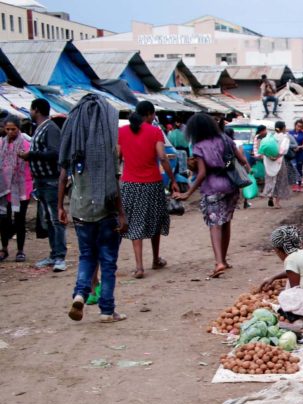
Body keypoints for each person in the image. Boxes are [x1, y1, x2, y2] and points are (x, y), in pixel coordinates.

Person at [60, 94, 127, 323]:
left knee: (87, 256)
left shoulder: (72, 147)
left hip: (80, 211)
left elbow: (62, 178)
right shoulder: (107, 149)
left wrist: (60, 206)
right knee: (108, 261)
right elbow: (114, 185)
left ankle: (80, 293)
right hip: (106, 212)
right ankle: (107, 310)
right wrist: (121, 213)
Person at [173, 112, 250, 278]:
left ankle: (219, 262)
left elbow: (201, 174)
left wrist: (188, 193)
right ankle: (225, 259)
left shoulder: (199, 146)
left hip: (213, 187)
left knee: (215, 225)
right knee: (226, 221)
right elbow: (242, 160)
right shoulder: (225, 139)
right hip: (231, 185)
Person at [118, 100, 174, 279]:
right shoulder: (155, 131)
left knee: (135, 223)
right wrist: (172, 179)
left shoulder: (122, 132)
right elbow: (162, 157)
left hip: (129, 184)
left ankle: (139, 266)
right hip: (152, 183)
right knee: (155, 219)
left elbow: (118, 156)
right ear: (150, 114)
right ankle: (156, 258)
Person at [20, 99, 66, 270]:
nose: (30, 112)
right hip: (41, 181)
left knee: (56, 219)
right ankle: (54, 255)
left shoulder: (51, 128)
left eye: (31, 109)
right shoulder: (40, 128)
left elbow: (55, 152)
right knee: (49, 219)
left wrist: (31, 155)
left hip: (51, 181)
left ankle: (60, 257)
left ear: (36, 110)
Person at [0, 116, 32, 263]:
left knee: (19, 219)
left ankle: (20, 250)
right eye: (8, 129)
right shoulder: (1, 144)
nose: (10, 132)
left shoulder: (25, 144)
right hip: (5, 188)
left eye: (13, 129)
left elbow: (30, 164)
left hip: (21, 187)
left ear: (18, 128)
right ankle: (4, 248)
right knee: (4, 220)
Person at [261, 121, 291, 209]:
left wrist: (270, 157)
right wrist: (277, 156)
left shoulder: (269, 136)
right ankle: (277, 202)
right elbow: (284, 150)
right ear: (284, 128)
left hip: (268, 161)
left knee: (270, 178)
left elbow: (263, 148)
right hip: (279, 161)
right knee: (280, 180)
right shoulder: (285, 137)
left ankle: (270, 194)